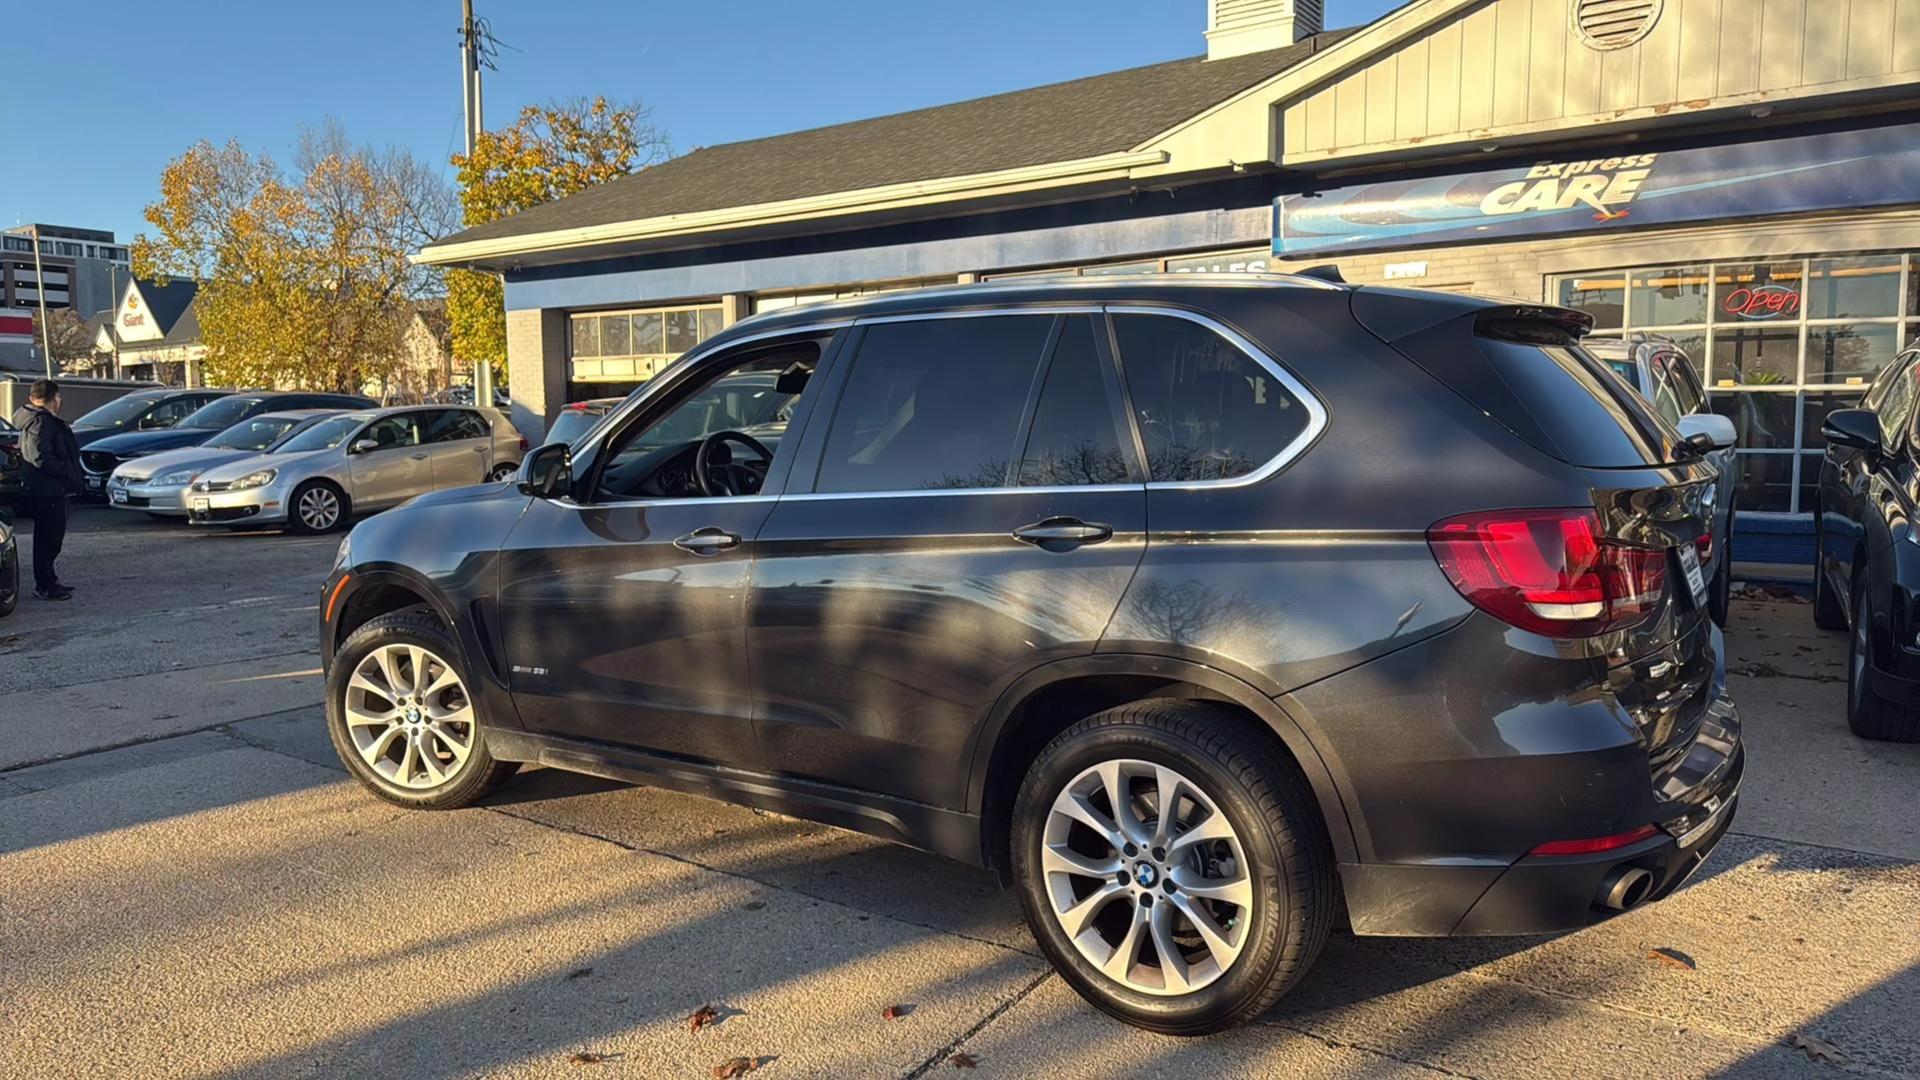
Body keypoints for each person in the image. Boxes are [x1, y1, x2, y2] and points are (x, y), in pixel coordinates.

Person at [11, 379, 81, 601]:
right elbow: (40, 457)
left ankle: (50, 579)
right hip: (48, 490)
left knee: (50, 537)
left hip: (48, 488)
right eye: (59, 397)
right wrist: (66, 472)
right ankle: (45, 585)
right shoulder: (41, 422)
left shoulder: (35, 419)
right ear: (55, 398)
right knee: (48, 539)